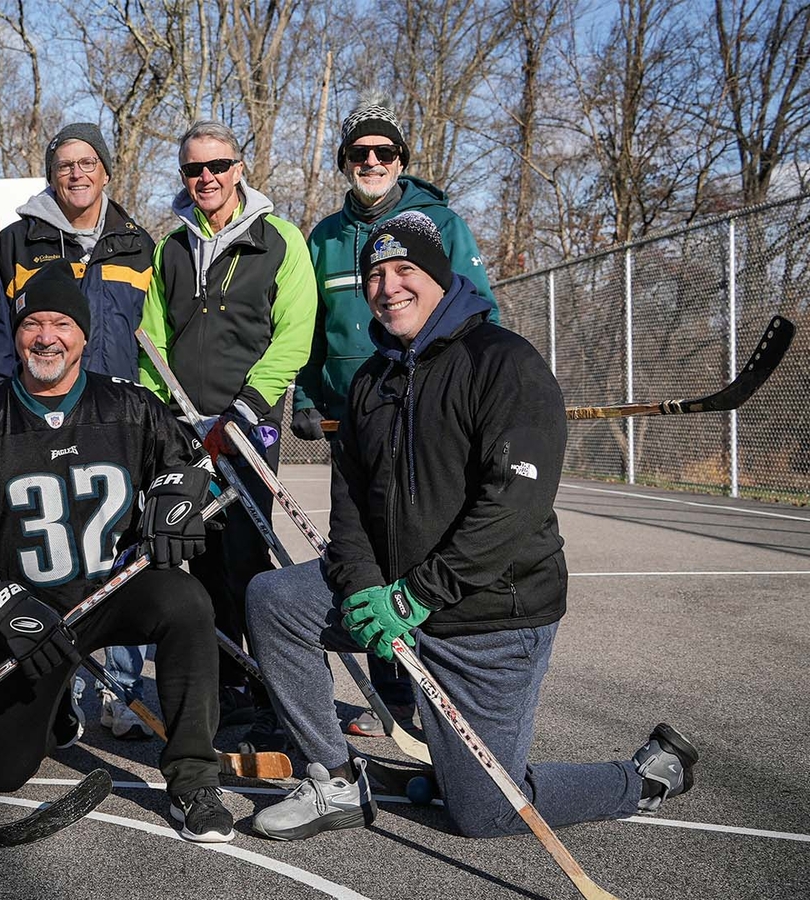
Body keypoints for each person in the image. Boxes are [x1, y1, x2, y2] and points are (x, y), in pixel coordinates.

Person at [244, 211, 698, 841]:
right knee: (277, 600)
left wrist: (417, 595)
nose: (388, 286)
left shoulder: (503, 362)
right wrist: (361, 587)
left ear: (439, 277)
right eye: (374, 275)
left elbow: (516, 504)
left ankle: (641, 778)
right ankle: (335, 779)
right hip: (395, 595)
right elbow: (347, 507)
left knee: (483, 813)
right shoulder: (371, 382)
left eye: (406, 271)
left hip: (489, 616)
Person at [0, 261, 235, 843]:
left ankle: (195, 780)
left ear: (84, 334)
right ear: (16, 332)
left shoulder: (127, 403)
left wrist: (179, 498)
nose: (46, 337)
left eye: (61, 324)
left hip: (113, 591)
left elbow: (194, 464)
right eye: (33, 325)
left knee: (188, 603)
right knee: (0, 775)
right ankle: (56, 713)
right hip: (32, 611)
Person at [291, 100, 500, 740]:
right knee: (366, 547)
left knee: (423, 546)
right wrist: (305, 396)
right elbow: (309, 332)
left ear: (401, 159)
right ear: (346, 163)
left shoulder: (440, 223)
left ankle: (440, 693)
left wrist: (468, 395)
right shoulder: (322, 238)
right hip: (354, 426)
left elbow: (478, 312)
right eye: (361, 154)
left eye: (385, 152)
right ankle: (395, 701)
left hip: (423, 416)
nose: (373, 162)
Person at [137, 120, 317, 736]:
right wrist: (160, 412)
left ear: (239, 168)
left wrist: (246, 405)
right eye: (193, 169)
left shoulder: (281, 240)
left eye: (217, 166)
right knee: (196, 560)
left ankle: (267, 685)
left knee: (246, 556)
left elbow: (294, 333)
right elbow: (154, 339)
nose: (206, 178)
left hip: (248, 426)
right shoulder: (173, 247)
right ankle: (220, 681)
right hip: (185, 427)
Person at [0, 122, 155, 740]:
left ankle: (124, 690)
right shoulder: (16, 241)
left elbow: (149, 337)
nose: (77, 174)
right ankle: (63, 688)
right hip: (41, 416)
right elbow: (3, 337)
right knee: (54, 556)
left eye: (88, 163)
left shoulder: (138, 244)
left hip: (116, 420)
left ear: (106, 170)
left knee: (121, 553)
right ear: (50, 175)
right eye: (64, 165)